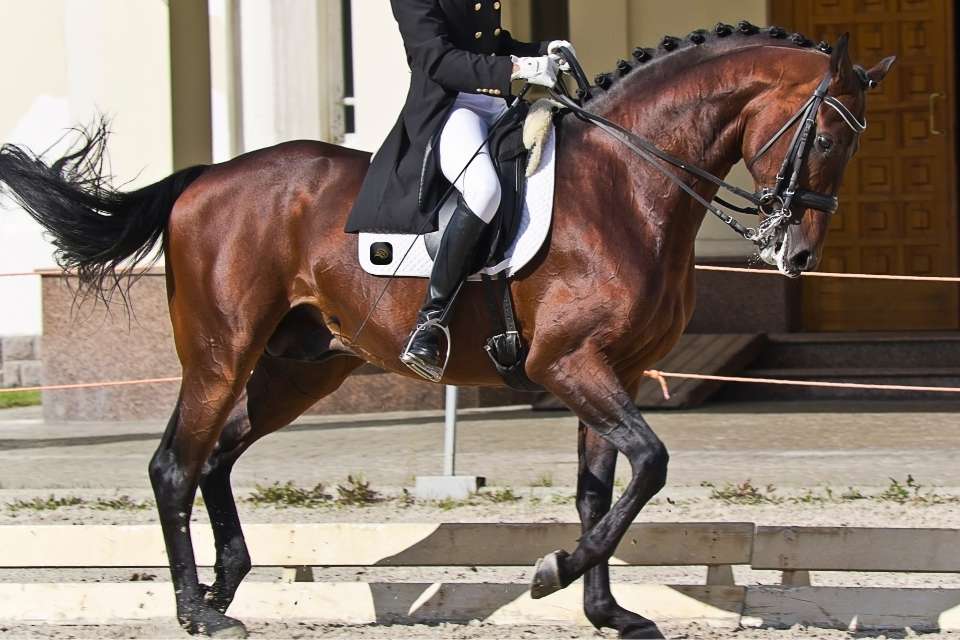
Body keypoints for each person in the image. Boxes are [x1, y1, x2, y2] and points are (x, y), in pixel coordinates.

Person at [344, 0, 575, 382]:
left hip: (497, 103)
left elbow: (488, 43)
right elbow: (435, 59)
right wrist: (519, 68)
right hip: (447, 108)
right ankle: (431, 322)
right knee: (483, 189)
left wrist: (541, 50)